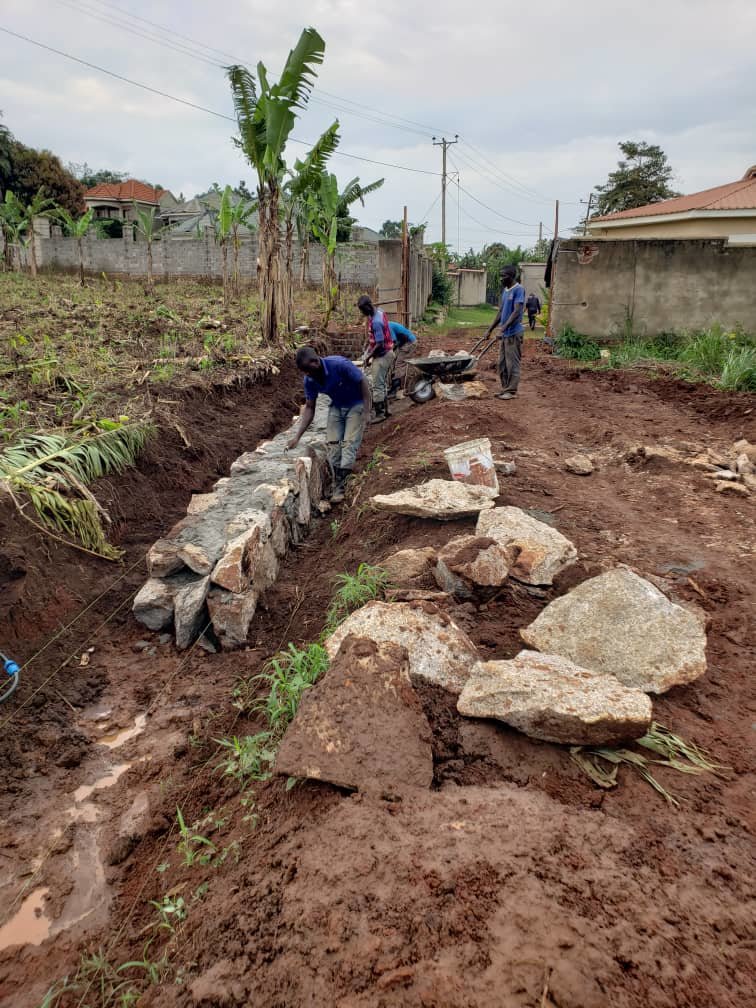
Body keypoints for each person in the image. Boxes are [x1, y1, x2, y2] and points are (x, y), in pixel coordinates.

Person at [287, 347, 372, 503]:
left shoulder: (339, 365)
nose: (307, 375)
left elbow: (363, 381)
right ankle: (337, 477)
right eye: (304, 372)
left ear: (315, 362)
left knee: (349, 443)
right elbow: (310, 407)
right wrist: (297, 436)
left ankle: (341, 484)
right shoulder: (310, 379)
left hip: (356, 404)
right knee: (332, 444)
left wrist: (367, 411)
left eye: (308, 371)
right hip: (337, 406)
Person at [486, 264, 525, 399]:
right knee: (502, 363)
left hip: (513, 333)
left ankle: (511, 391)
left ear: (512, 276)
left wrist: (503, 328)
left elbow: (517, 311)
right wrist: (490, 329)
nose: (501, 279)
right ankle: (505, 388)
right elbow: (501, 312)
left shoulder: (518, 289)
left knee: (512, 363)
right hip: (505, 334)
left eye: (504, 276)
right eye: (500, 276)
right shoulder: (506, 291)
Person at [357, 295, 395, 423]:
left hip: (383, 355)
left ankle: (380, 414)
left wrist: (368, 357)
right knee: (382, 382)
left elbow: (379, 343)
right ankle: (386, 410)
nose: (362, 313)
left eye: (362, 310)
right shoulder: (379, 311)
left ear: (367, 307)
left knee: (377, 385)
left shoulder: (376, 322)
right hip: (388, 352)